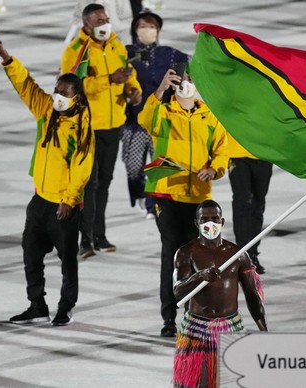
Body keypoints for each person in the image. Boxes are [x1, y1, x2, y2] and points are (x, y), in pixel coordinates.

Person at [0, 37, 95, 326]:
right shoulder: (46, 111)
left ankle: (66, 306)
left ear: (77, 97)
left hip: (64, 205)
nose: (58, 96)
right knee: (31, 256)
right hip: (39, 200)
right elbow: (26, 85)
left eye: (64, 92)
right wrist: (6, 57)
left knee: (67, 263)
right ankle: (37, 304)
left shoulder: (83, 128)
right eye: (56, 90)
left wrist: (68, 199)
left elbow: (82, 166)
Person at [138, 66, 229, 337]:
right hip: (166, 194)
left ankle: (193, 315)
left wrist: (214, 169)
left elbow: (222, 151)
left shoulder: (210, 116)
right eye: (180, 79)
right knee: (173, 254)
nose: (185, 84)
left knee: (197, 258)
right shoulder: (163, 112)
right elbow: (144, 119)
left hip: (199, 198)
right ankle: (169, 316)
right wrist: (160, 89)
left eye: (190, 79)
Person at [61, 3, 142, 259]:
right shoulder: (75, 50)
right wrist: (109, 80)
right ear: (86, 24)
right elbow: (71, 86)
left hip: (113, 124)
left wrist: (133, 90)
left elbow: (129, 75)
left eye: (106, 19)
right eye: (99, 20)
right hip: (87, 126)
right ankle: (83, 239)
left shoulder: (118, 45)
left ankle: (99, 233)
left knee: (104, 182)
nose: (105, 24)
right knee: (88, 183)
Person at [172, 199, 267, 387]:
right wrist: (199, 276)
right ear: (196, 223)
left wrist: (263, 328)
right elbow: (178, 292)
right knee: (199, 382)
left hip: (230, 326)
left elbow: (252, 294)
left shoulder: (237, 254)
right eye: (205, 219)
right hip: (198, 328)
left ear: (222, 222)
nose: (210, 224)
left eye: (215, 219)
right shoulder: (186, 253)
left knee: (231, 380)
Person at [121, 10, 189, 219]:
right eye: (143, 26)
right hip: (133, 120)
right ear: (135, 29)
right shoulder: (126, 52)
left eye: (152, 27)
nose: (147, 31)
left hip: (160, 119)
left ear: (158, 30)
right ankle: (139, 193)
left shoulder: (170, 54)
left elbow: (188, 70)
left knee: (158, 164)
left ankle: (153, 204)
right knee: (133, 166)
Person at [227, 135, 273, 274]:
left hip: (264, 153)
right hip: (237, 152)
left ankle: (252, 253)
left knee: (258, 204)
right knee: (242, 203)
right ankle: (242, 255)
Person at [65, 0, 134, 45]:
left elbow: (128, 21)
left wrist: (115, 28)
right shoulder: (83, 2)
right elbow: (76, 21)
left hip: (118, 39)